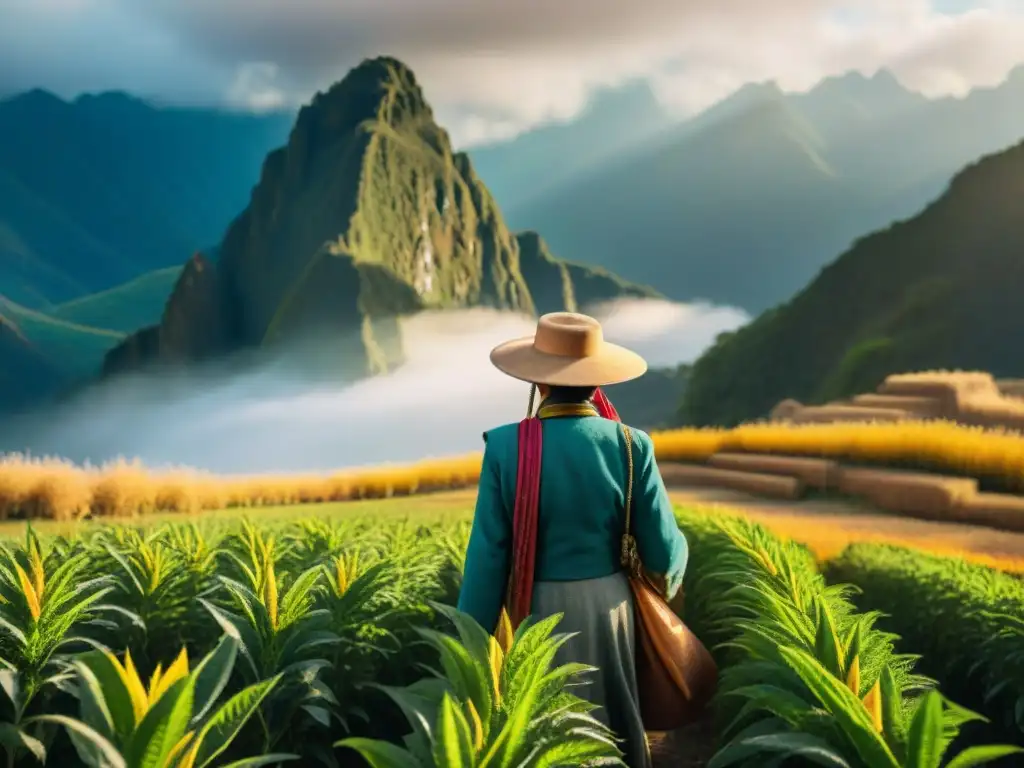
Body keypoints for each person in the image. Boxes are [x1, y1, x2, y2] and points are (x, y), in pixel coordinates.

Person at [457, 311, 689, 768]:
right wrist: (673, 573)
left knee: (549, 732)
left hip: (535, 612)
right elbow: (663, 550)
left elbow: (488, 557)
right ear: (596, 381)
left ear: (538, 382)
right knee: (610, 730)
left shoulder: (505, 447)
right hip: (611, 609)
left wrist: (471, 641)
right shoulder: (631, 444)